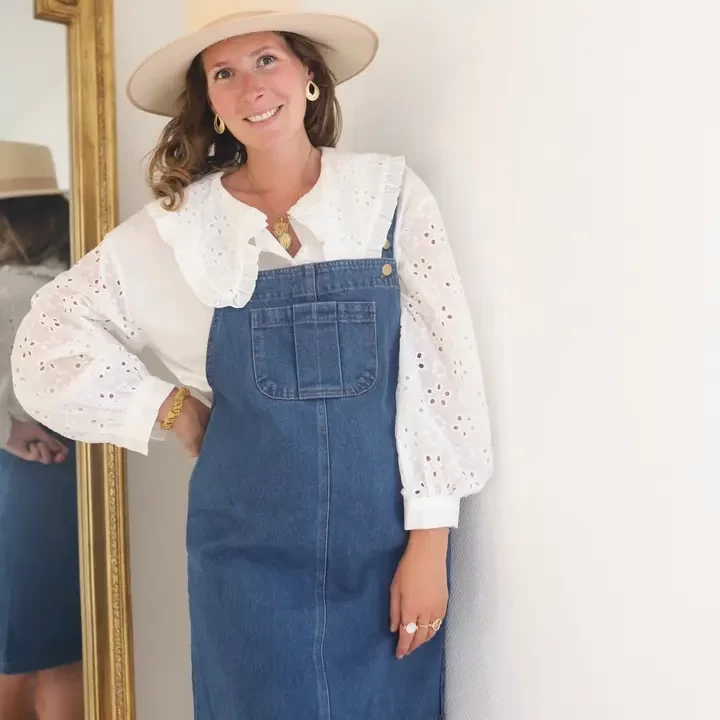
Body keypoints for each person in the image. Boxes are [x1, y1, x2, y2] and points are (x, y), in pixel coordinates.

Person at [12, 2, 493, 718]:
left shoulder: (385, 196)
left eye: (267, 59)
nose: (251, 87)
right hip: (244, 565)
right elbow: (45, 342)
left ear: (308, 74)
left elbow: (439, 369)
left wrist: (429, 543)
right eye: (224, 73)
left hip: (383, 552)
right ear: (208, 103)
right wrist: (168, 408)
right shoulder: (177, 230)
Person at [0, 141, 83, 720]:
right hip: (64, 472)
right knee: (58, 648)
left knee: (23, 648)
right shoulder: (74, 286)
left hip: (23, 475)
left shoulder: (9, 290)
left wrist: (8, 433)